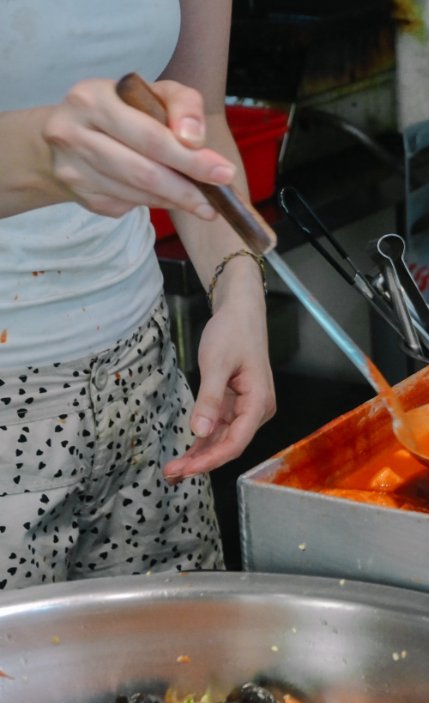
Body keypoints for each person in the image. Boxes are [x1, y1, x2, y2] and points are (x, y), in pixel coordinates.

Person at [0, 0, 275, 588]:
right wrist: (40, 156)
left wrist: (239, 288)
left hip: (144, 380)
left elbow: (198, 122)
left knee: (179, 672)